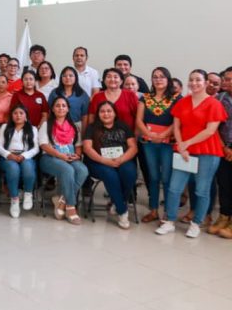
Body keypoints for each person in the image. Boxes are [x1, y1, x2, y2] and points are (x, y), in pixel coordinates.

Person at [156, 69, 227, 239]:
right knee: (174, 188)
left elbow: (210, 130)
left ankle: (196, 223)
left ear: (206, 82)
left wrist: (187, 143)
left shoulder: (214, 104)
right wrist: (181, 146)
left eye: (198, 80)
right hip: (183, 150)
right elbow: (176, 126)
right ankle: (170, 221)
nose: (194, 83)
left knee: (202, 189)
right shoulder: (182, 102)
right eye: (191, 79)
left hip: (207, 151)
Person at [83, 101, 138, 229]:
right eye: (102, 111)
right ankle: (122, 211)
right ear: (98, 114)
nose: (106, 114)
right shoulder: (92, 127)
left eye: (109, 111)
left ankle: (117, 202)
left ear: (114, 113)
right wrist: (105, 161)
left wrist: (121, 159)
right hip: (98, 162)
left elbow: (133, 147)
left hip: (121, 160)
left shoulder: (123, 126)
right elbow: (87, 148)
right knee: (110, 175)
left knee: (130, 173)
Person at [136, 67, 180, 223]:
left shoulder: (176, 98)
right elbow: (139, 120)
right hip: (149, 142)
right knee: (153, 177)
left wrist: (162, 135)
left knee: (167, 178)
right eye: (155, 76)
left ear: (168, 79)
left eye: (162, 76)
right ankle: (153, 210)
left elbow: (177, 122)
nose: (158, 79)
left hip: (168, 143)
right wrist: (150, 135)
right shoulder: (145, 97)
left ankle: (168, 212)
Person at [39, 95, 89, 225]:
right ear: (53, 109)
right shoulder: (46, 124)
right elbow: (44, 145)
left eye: (63, 106)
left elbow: (78, 146)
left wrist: (77, 155)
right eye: (57, 105)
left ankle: (62, 200)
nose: (61, 108)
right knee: (67, 170)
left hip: (69, 157)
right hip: (49, 158)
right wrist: (60, 156)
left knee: (83, 170)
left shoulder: (74, 126)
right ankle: (71, 207)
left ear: (68, 109)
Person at [0, 104, 38, 218]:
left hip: (25, 156)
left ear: (26, 116)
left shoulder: (33, 129)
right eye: (15, 113)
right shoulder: (5, 127)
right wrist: (9, 155)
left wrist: (24, 156)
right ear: (11, 116)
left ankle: (28, 193)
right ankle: (14, 199)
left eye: (21, 113)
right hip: (8, 157)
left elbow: (36, 148)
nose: (18, 116)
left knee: (28, 167)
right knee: (13, 168)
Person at [209, 66, 232, 238]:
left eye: (229, 79)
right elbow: (214, 125)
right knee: (224, 183)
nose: (225, 82)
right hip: (223, 148)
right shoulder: (219, 98)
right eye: (224, 79)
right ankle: (224, 216)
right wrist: (224, 146)